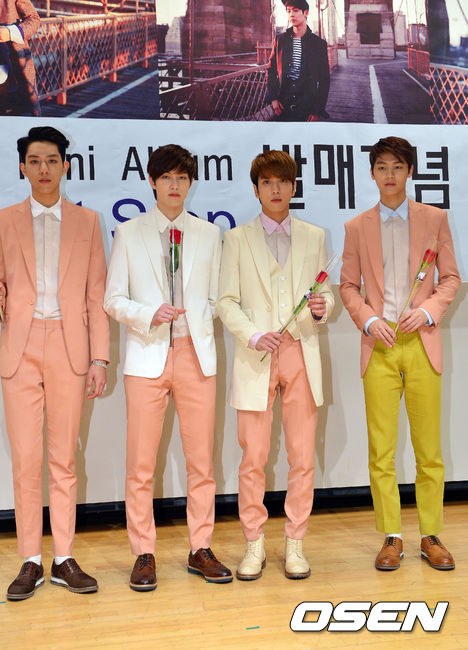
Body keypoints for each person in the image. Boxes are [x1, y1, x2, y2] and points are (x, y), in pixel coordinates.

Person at [0, 126, 110, 600]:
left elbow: (96, 296)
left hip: (70, 348)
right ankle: (30, 559)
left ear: (65, 166)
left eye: (52, 160)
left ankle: (64, 558)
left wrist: (100, 357)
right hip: (21, 346)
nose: (43, 169)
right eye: (34, 161)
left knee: (63, 459)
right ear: (23, 167)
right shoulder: (0, 221)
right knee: (25, 459)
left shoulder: (88, 222)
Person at [104, 144, 232, 591]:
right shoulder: (128, 232)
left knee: (202, 463)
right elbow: (113, 299)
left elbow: (217, 298)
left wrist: (199, 319)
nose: (174, 186)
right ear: (152, 182)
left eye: (182, 178)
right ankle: (143, 552)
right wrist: (148, 314)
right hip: (147, 357)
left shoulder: (209, 233)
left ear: (191, 183)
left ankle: (201, 547)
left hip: (196, 356)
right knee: (141, 464)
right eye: (166, 178)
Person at [339, 136, 460, 571]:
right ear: (372, 173)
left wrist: (426, 311)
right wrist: (369, 319)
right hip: (380, 346)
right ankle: (391, 535)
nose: (389, 175)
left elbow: (450, 278)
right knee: (381, 449)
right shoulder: (356, 227)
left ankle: (430, 535)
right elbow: (348, 286)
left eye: (397, 167)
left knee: (429, 449)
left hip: (421, 343)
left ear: (409, 171)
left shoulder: (435, 219)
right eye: (382, 167)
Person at [217, 150, 334, 580]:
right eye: (267, 182)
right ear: (256, 190)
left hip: (300, 352)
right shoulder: (236, 238)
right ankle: (254, 544)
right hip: (257, 355)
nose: (276, 189)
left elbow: (325, 293)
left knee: (302, 456)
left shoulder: (314, 236)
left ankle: (295, 543)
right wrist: (252, 335)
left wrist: (321, 308)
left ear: (293, 186)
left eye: (283, 182)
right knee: (254, 457)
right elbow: (226, 301)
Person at [267, 0, 330, 122]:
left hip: (307, 107)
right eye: (288, 11)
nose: (291, 14)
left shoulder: (318, 44)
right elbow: (271, 70)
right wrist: (273, 98)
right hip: (282, 105)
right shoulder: (280, 40)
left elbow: (324, 80)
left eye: (295, 11)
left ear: (305, 13)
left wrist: (317, 110)